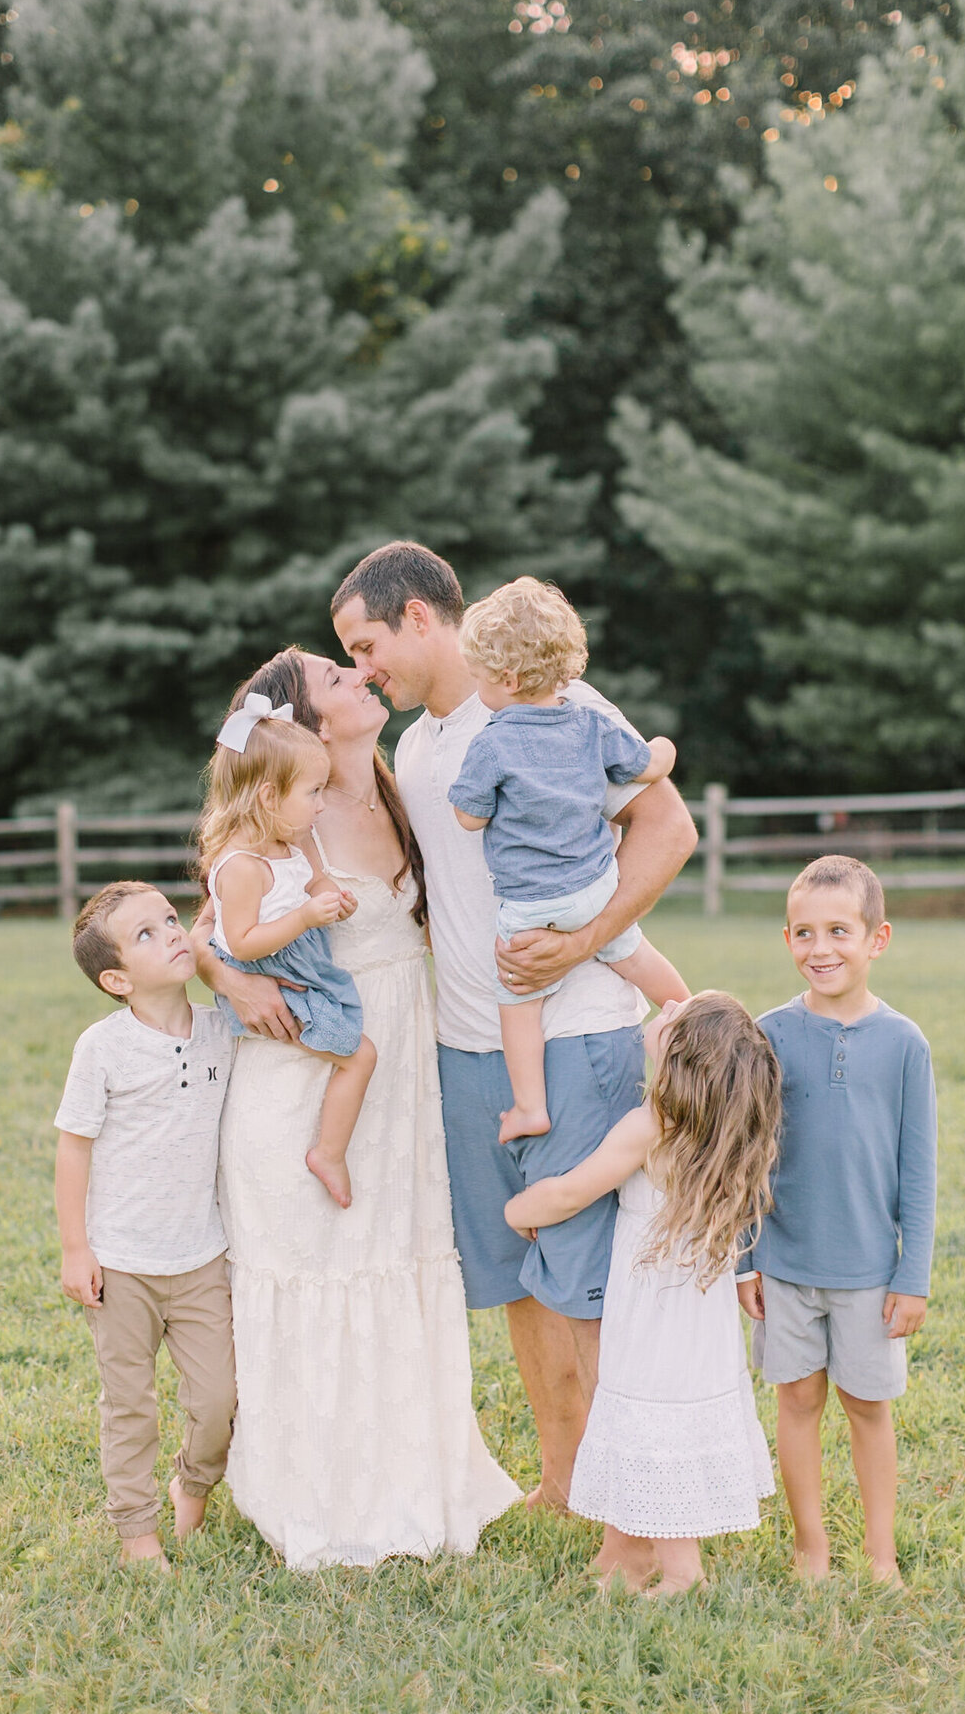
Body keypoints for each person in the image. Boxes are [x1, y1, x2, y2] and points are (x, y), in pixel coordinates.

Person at [330, 541, 698, 1510]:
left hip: (576, 1031)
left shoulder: (560, 708)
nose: (367, 670)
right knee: (519, 1273)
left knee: (585, 1274)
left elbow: (670, 830)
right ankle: (564, 1474)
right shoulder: (413, 749)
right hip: (468, 1044)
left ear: (420, 617)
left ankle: (642, 1488)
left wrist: (586, 944)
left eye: (370, 645)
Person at [194, 648, 521, 1570]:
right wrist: (229, 978)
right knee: (322, 1264)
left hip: (402, 1065)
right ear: (306, 721)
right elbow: (208, 928)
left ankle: (414, 1477)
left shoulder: (405, 779)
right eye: (339, 678)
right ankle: (316, 1491)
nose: (362, 679)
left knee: (398, 1258)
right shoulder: (281, 814)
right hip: (307, 1069)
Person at [505, 992, 782, 1595]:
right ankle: (621, 1554)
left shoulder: (651, 1128)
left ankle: (683, 1572)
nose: (660, 1015)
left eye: (670, 1021)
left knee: (651, 1427)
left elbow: (571, 1192)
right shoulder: (722, 1141)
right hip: (699, 1326)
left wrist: (518, 1208)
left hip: (651, 1320)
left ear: (679, 1058)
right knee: (658, 1424)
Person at [736, 855, 938, 1585]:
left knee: (866, 1406)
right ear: (786, 938)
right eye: (803, 932)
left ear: (876, 938)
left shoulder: (905, 1044)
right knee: (798, 1399)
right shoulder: (768, 1035)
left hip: (869, 1275)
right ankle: (809, 1548)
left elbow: (918, 1173)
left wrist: (910, 1276)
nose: (820, 948)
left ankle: (880, 1554)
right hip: (785, 1264)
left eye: (838, 931)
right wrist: (742, 1258)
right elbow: (743, 1156)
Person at [448, 575, 687, 1143]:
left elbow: (468, 817)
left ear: (506, 679)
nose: (477, 689)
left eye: (479, 678)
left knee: (517, 1000)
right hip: (597, 886)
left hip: (532, 903)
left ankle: (530, 1105)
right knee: (634, 953)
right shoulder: (590, 725)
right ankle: (688, 1013)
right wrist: (667, 749)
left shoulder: (491, 740)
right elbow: (647, 767)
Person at [54, 881, 237, 1571]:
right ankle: (136, 1532)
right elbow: (74, 1147)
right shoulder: (102, 1049)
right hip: (123, 1262)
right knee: (129, 1405)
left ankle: (193, 1483)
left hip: (201, 1259)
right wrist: (78, 1249)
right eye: (147, 934)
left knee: (219, 1397)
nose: (170, 933)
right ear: (116, 978)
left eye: (170, 919)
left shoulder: (223, 1027)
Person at [197, 686, 376, 1209]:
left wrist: (331, 898)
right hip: (274, 979)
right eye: (312, 793)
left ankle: (330, 1147)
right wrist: (303, 916)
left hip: (305, 971)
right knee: (360, 1056)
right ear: (269, 798)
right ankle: (329, 1152)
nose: (321, 805)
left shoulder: (291, 844)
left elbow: (316, 881)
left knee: (358, 1053)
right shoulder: (242, 867)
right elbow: (244, 945)